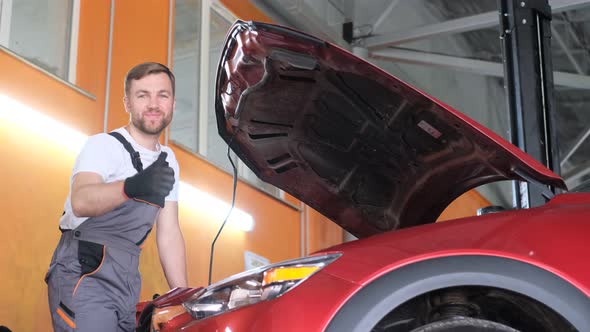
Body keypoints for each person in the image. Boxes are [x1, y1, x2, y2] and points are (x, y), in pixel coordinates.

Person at [46, 62, 188, 331]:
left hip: (127, 277)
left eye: (162, 95)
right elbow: (81, 200)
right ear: (127, 103)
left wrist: (183, 295)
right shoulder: (104, 145)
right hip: (85, 268)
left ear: (173, 103)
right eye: (142, 95)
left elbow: (169, 233)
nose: (153, 103)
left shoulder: (168, 160)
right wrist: (131, 187)